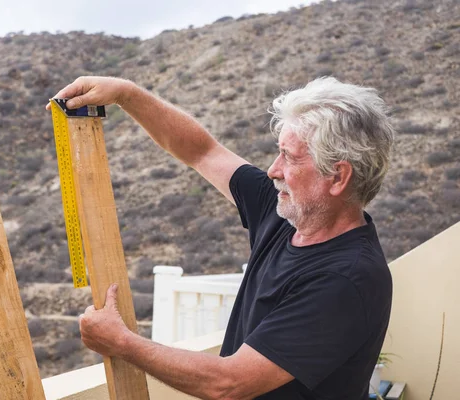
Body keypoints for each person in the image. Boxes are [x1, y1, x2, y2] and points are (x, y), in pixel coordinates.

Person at [47, 76, 395, 399]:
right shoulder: (285, 213)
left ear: (337, 177)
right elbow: (202, 151)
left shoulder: (347, 278)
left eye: (289, 157)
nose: (273, 170)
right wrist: (127, 94)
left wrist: (121, 342)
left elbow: (230, 382)